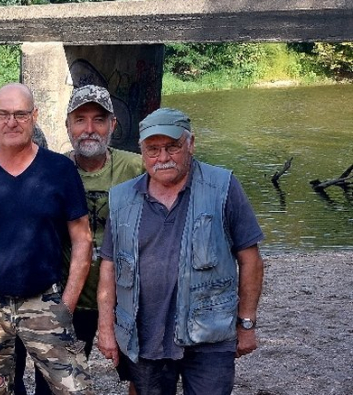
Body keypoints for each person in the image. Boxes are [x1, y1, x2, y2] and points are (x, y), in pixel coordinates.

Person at [96, 108, 265, 395]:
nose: (162, 158)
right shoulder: (121, 198)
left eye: (172, 147)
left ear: (191, 144)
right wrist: (106, 329)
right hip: (145, 335)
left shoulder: (223, 187)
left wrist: (246, 323)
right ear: (141, 151)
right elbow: (109, 267)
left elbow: (250, 261)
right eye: (153, 149)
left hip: (210, 334)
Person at [0, 83, 94, 395]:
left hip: (43, 298)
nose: (11, 122)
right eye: (3, 114)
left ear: (34, 117)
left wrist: (66, 303)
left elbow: (83, 238)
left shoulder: (59, 171)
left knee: (74, 388)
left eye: (20, 114)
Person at [24, 85, 145, 395]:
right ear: (67, 125)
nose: (89, 129)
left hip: (127, 299)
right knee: (55, 385)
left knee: (143, 379)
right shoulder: (53, 171)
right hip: (69, 299)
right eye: (80, 120)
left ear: (113, 125)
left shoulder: (137, 168)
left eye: (99, 120)